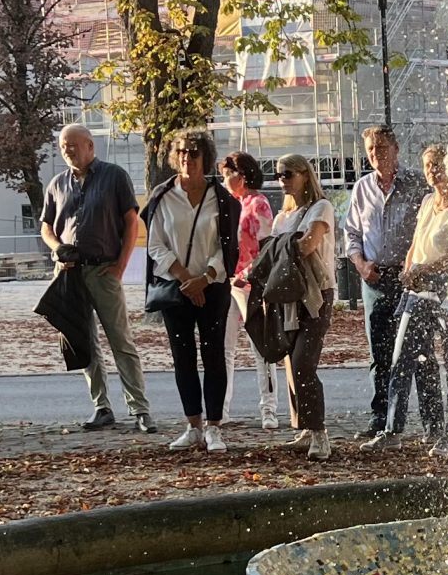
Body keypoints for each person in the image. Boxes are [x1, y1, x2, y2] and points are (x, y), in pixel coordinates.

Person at [40, 123, 157, 435]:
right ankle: (101, 407)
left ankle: (140, 409)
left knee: (121, 340)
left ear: (90, 145)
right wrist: (56, 249)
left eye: (73, 145)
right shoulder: (57, 183)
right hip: (70, 274)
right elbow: (47, 227)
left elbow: (131, 222)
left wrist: (120, 266)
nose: (67, 151)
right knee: (83, 341)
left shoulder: (114, 176)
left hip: (104, 270)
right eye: (64, 146)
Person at [142, 129, 239, 452]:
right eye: (182, 152)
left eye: (194, 153)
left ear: (205, 158)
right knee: (182, 357)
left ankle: (214, 427)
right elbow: (155, 244)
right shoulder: (163, 195)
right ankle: (192, 425)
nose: (187, 158)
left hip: (212, 287)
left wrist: (205, 278)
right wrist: (185, 279)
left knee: (214, 356)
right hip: (175, 288)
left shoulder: (221, 198)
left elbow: (227, 246)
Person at [366, 143, 448, 452]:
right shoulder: (427, 201)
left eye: (438, 165)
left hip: (445, 292)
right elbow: (416, 242)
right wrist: (409, 270)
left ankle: (446, 431)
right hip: (416, 289)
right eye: (428, 166)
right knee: (403, 359)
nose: (433, 172)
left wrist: (425, 267)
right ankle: (393, 429)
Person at [340, 125, 428, 440]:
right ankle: (382, 419)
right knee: (380, 353)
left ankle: (432, 423)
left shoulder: (417, 184)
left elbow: (428, 229)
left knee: (419, 352)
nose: (377, 155)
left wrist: (415, 265)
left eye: (382, 148)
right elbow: (351, 233)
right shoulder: (363, 188)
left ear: (396, 149)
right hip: (375, 279)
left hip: (410, 279)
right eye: (371, 151)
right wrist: (361, 265)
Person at [271, 153, 337, 460]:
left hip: (316, 295)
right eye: (279, 175)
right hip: (289, 296)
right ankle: (307, 428)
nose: (282, 180)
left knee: (303, 363)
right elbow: (274, 255)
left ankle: (320, 432)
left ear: (304, 175)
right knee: (291, 364)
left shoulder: (320, 207)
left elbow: (309, 244)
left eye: (288, 174)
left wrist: (281, 247)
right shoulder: (282, 217)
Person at [219, 150, 280, 430]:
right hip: (226, 283)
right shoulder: (226, 204)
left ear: (241, 176)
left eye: (227, 174)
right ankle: (221, 408)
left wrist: (245, 275)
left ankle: (268, 409)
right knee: (224, 348)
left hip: (252, 285)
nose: (223, 179)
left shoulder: (258, 204)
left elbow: (265, 248)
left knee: (261, 348)